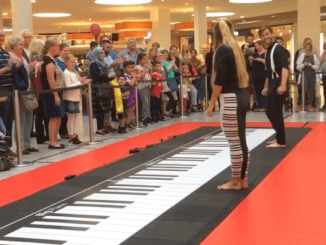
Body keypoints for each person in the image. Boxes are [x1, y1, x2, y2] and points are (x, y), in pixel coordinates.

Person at [207, 18, 250, 190]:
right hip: (240, 96)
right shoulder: (234, 49)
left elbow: (220, 79)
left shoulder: (221, 50)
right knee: (241, 141)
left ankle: (235, 180)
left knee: (234, 143)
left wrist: (211, 104)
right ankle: (243, 179)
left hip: (230, 99)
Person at [9, 35, 39, 155]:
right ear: (13, 46)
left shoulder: (23, 57)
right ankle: (20, 145)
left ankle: (27, 143)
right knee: (20, 119)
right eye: (20, 44)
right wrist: (24, 68)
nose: (22, 47)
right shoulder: (12, 57)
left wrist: (31, 68)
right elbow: (14, 75)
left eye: (22, 44)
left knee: (29, 119)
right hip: (19, 91)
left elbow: (26, 74)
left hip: (28, 89)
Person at [259, 26, 289, 148]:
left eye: (267, 34)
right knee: (269, 111)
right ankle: (279, 137)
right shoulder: (267, 52)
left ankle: (281, 141)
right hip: (272, 83)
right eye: (263, 35)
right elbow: (268, 72)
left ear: (272, 34)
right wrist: (266, 87)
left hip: (278, 82)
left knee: (276, 112)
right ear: (261, 38)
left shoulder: (278, 49)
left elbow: (284, 67)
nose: (266, 37)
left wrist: (283, 84)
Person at [41, 37, 65, 149]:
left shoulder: (52, 60)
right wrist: (55, 94)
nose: (58, 48)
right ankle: (52, 141)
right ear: (52, 47)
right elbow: (50, 79)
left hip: (56, 92)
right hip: (51, 93)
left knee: (58, 117)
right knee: (54, 117)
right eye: (57, 46)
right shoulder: (48, 61)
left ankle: (55, 139)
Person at [63, 54, 91, 144]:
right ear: (66, 62)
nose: (73, 63)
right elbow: (68, 86)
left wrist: (82, 82)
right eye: (71, 62)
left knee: (75, 117)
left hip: (76, 96)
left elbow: (76, 82)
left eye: (74, 62)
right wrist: (80, 82)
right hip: (69, 97)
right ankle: (71, 134)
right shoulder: (66, 73)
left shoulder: (75, 71)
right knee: (71, 117)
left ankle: (74, 133)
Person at [89, 47, 115, 135]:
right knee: (100, 109)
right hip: (98, 89)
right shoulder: (93, 64)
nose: (103, 55)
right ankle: (99, 128)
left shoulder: (104, 63)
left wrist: (111, 76)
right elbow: (96, 76)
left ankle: (105, 127)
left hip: (106, 88)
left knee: (106, 109)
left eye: (104, 53)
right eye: (101, 53)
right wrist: (107, 76)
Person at [0, 29, 16, 157]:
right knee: (3, 121)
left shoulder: (5, 53)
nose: (2, 38)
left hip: (10, 90)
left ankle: (8, 147)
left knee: (10, 120)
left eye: (3, 36)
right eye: (0, 36)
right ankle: (2, 148)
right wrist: (7, 68)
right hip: (2, 91)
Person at [29, 38, 48, 144]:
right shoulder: (38, 59)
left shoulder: (31, 58)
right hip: (39, 88)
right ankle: (41, 136)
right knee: (41, 114)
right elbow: (36, 77)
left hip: (36, 88)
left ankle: (41, 136)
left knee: (39, 114)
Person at [296, 43, 320, 111]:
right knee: (304, 89)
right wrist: (303, 65)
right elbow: (298, 67)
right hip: (304, 75)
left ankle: (310, 104)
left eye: (309, 50)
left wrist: (311, 65)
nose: (307, 52)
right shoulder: (302, 56)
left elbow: (317, 66)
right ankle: (301, 104)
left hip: (312, 75)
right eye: (306, 50)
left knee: (311, 89)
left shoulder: (314, 56)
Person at [135, 53, 152, 126]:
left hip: (148, 85)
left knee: (148, 102)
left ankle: (147, 116)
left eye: (146, 59)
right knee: (145, 101)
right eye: (144, 59)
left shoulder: (145, 67)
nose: (145, 61)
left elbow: (150, 76)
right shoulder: (138, 67)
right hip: (142, 86)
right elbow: (141, 77)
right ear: (140, 60)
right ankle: (143, 118)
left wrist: (150, 70)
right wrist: (145, 69)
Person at [242, 33, 257, 111]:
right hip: (246, 69)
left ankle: (255, 104)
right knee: (247, 88)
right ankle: (246, 104)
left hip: (254, 69)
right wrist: (245, 50)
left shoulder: (256, 46)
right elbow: (241, 56)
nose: (250, 41)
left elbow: (257, 54)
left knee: (254, 88)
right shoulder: (243, 46)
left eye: (251, 39)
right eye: (249, 39)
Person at [250, 40, 267, 111]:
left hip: (263, 74)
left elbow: (268, 63)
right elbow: (251, 65)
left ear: (260, 45)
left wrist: (261, 60)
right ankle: (259, 105)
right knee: (257, 90)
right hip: (256, 74)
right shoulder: (255, 54)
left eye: (257, 46)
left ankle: (264, 106)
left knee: (263, 89)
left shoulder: (266, 53)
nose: (256, 47)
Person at [124, 61, 138, 129]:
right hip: (128, 93)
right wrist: (134, 77)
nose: (131, 69)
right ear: (125, 68)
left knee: (132, 108)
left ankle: (129, 122)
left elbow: (137, 84)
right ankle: (126, 124)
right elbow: (131, 84)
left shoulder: (131, 76)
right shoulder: (125, 76)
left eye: (132, 67)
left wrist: (134, 77)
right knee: (129, 109)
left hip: (133, 93)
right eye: (128, 67)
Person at [319, 42, 326, 111]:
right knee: (325, 90)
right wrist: (323, 55)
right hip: (324, 74)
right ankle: (325, 105)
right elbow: (320, 62)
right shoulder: (323, 54)